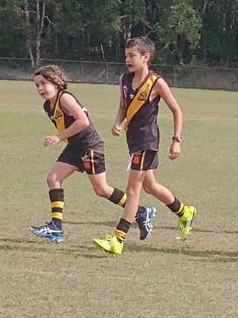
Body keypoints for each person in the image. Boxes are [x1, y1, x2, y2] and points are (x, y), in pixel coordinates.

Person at [29, 64, 156, 244]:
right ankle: (56, 228)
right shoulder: (47, 105)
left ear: (55, 82)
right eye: (37, 85)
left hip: (90, 147)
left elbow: (83, 122)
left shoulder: (64, 98)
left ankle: (141, 212)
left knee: (101, 190)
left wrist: (58, 137)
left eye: (43, 83)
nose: (40, 88)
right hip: (75, 147)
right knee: (53, 179)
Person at [93, 37, 195, 255]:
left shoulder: (156, 83)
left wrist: (176, 140)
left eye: (132, 55)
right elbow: (123, 106)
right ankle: (184, 212)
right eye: (126, 55)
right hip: (132, 140)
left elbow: (177, 111)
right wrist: (117, 123)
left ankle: (117, 239)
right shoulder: (124, 79)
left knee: (133, 190)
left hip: (147, 141)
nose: (127, 59)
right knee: (150, 186)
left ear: (145, 57)